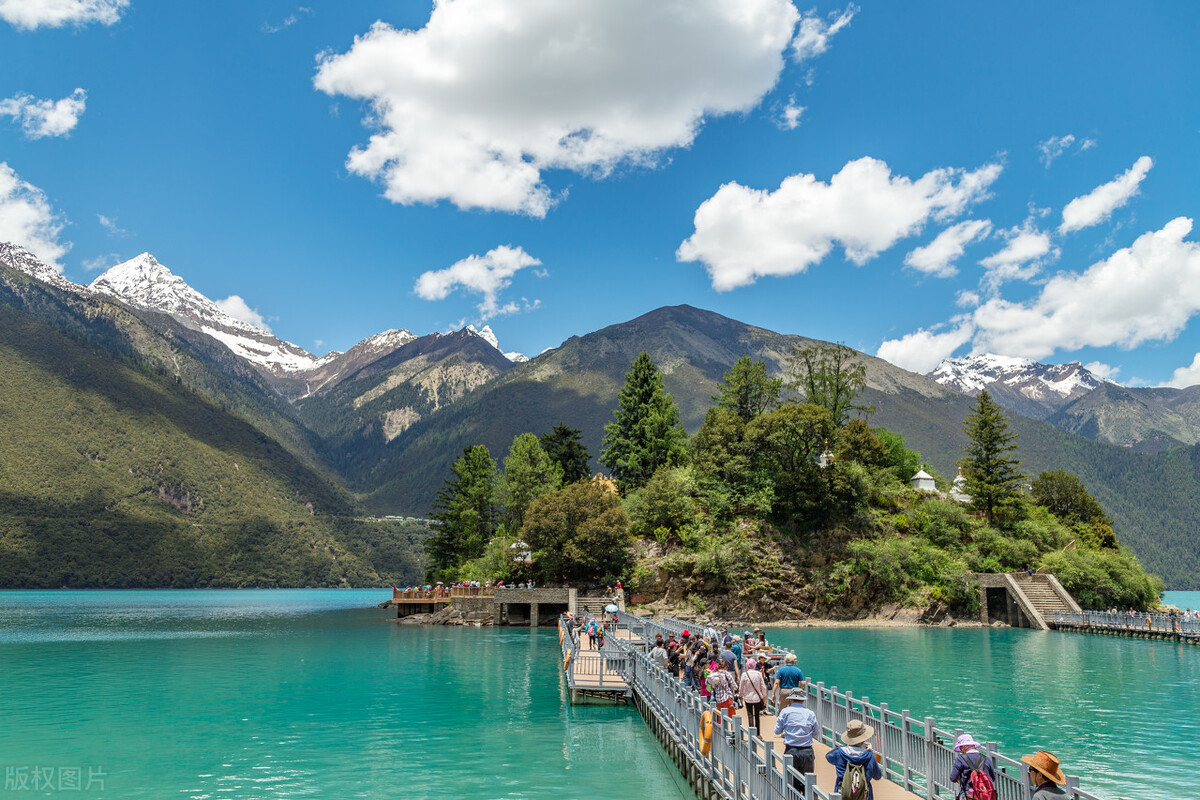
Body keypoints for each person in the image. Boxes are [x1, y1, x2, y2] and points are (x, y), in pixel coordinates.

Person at [774, 688, 818, 791]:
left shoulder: (785, 712)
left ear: (791, 700)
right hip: (807, 752)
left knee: (792, 784)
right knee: (808, 784)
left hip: (791, 751)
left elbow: (777, 731)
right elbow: (816, 732)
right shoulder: (810, 713)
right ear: (803, 700)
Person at [826, 720, 883, 800]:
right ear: (863, 738)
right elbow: (878, 776)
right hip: (864, 795)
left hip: (842, 792)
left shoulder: (840, 752)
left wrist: (845, 746)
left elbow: (829, 757)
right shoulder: (869, 755)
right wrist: (870, 752)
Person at [949, 734, 996, 799]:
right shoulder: (986, 759)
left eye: (960, 747)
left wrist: (959, 779)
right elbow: (993, 778)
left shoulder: (960, 759)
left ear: (964, 746)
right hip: (985, 795)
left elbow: (953, 778)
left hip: (969, 794)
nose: (961, 750)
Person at [739, 658, 769, 735]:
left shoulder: (744, 674)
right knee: (757, 716)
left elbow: (741, 687)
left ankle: (751, 733)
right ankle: (758, 734)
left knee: (750, 715)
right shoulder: (758, 674)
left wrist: (741, 696)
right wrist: (764, 697)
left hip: (748, 697)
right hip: (757, 698)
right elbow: (763, 687)